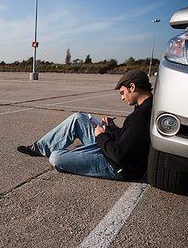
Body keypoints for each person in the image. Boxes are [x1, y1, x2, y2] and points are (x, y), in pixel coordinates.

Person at [17, 70, 153, 181]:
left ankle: (80, 152)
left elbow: (120, 156)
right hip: (112, 149)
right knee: (78, 118)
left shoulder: (140, 117)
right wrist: (113, 129)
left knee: (56, 157)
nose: (122, 98)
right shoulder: (145, 108)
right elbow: (130, 138)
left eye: (122, 92)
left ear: (132, 87)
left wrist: (101, 136)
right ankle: (41, 147)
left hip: (116, 166)